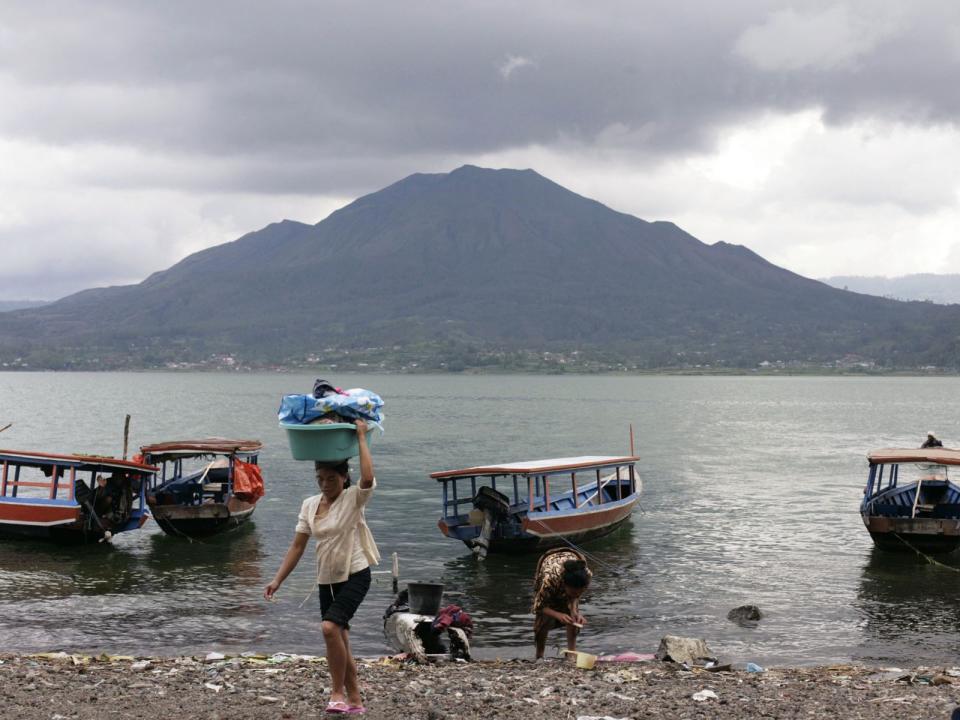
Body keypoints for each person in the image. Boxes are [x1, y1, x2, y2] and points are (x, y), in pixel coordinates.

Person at [265, 419, 379, 715]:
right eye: (320, 478)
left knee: (330, 628)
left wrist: (361, 437)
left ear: (343, 478)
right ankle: (355, 700)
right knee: (340, 637)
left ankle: (337, 692)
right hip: (326, 579)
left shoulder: (353, 498)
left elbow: (367, 477)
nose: (325, 484)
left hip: (356, 573)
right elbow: (297, 546)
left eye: (330, 478)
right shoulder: (309, 505)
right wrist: (278, 580)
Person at [532, 547, 592, 660]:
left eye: (580, 591)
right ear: (564, 584)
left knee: (573, 618)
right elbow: (539, 606)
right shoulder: (550, 579)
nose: (577, 594)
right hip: (549, 562)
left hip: (572, 561)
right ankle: (539, 655)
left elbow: (575, 597)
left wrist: (574, 610)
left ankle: (571, 654)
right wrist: (558, 615)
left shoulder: (586, 576)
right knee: (542, 622)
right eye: (574, 592)